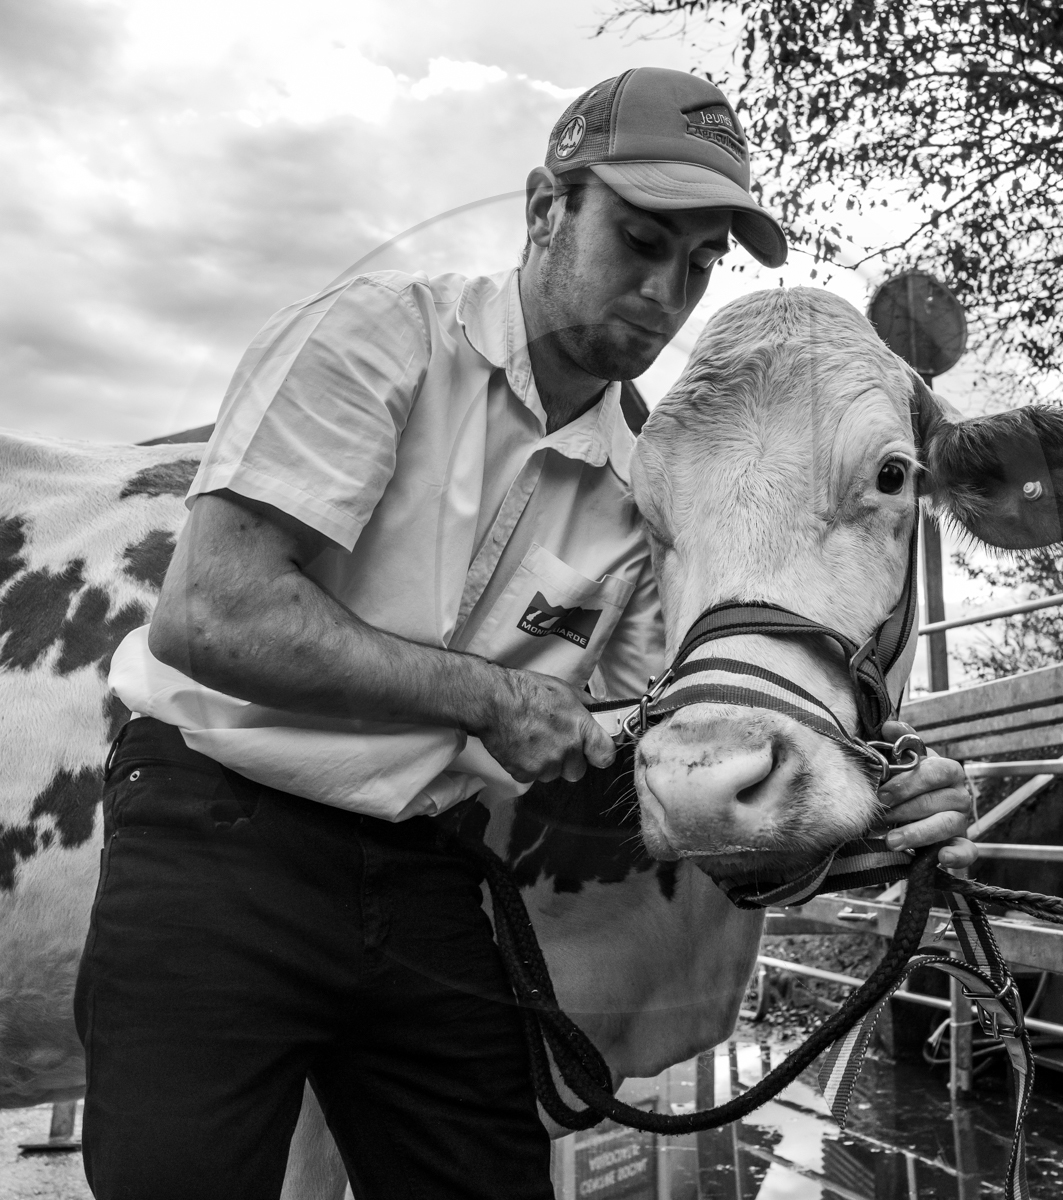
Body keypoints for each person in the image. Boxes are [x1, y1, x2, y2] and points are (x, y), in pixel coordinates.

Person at [77, 67, 976, 1200]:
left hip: (427, 868)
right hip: (220, 835)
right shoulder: (378, 339)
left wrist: (862, 801)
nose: (664, 292)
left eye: (698, 266)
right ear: (546, 207)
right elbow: (213, 610)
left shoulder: (649, 477)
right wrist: (491, 699)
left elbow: (671, 733)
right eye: (641, 239)